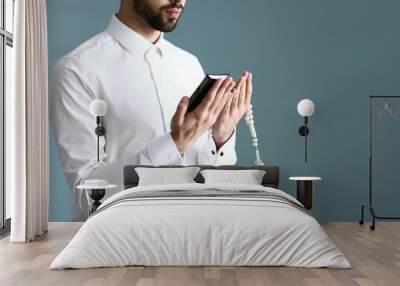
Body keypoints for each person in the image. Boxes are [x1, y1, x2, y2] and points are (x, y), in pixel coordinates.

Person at [49, 0, 253, 211]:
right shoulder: (78, 70)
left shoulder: (189, 64)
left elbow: (208, 178)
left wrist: (220, 139)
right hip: (121, 239)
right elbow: (88, 196)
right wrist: (175, 144)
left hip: (195, 232)